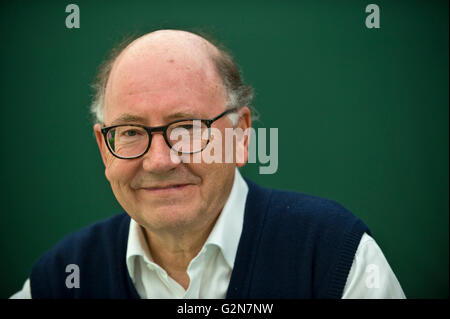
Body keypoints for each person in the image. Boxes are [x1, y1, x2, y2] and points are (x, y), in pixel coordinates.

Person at [11, 29, 405, 299]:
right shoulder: (64, 276)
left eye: (188, 128)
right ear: (104, 148)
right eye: (130, 132)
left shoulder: (333, 256)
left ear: (240, 134)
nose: (160, 160)